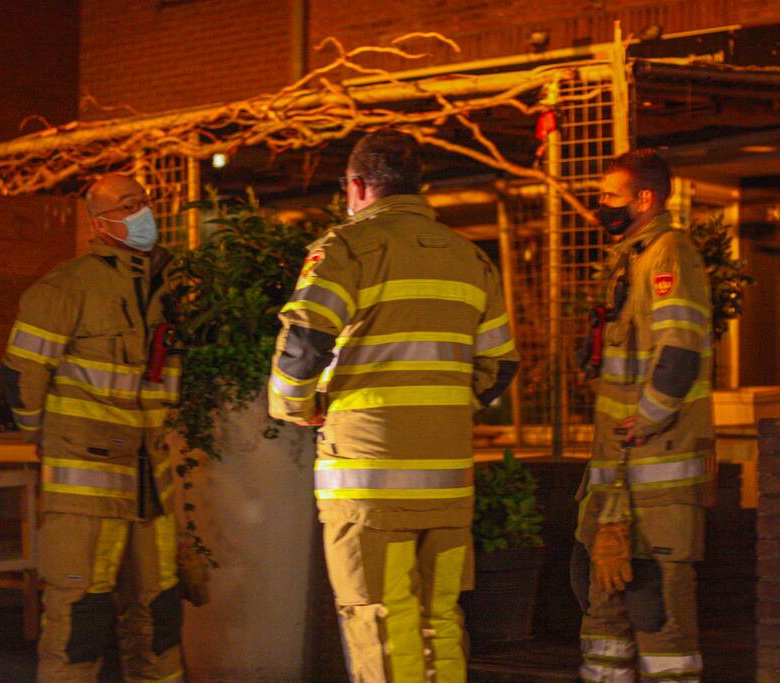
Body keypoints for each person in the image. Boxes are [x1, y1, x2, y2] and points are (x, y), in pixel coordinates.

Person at [268, 130, 519, 682]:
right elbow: (500, 366)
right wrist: (443, 414)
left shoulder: (345, 249)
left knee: (382, 620)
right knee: (440, 620)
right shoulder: (469, 258)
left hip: (369, 484)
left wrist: (295, 408)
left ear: (357, 187)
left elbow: (304, 342)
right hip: (448, 484)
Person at [0, 174, 185, 683]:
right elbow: (21, 376)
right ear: (100, 223)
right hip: (86, 485)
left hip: (151, 482)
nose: (143, 212)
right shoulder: (67, 287)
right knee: (79, 619)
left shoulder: (164, 287)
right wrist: (45, 439)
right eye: (130, 205)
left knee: (160, 616)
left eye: (146, 201)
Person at [571, 149, 713, 683]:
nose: (600, 207)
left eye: (610, 196)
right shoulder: (630, 258)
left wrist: (647, 420)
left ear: (645, 198)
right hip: (616, 478)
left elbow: (678, 352)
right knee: (601, 607)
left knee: (661, 617)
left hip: (656, 476)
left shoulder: (668, 255)